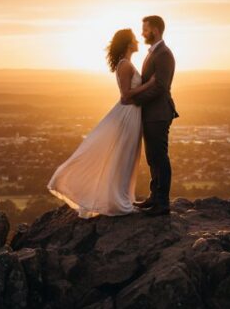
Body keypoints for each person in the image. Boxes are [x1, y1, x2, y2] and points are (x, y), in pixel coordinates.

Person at [47, 28, 157, 218]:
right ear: (128, 43)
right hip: (128, 114)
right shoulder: (124, 65)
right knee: (124, 156)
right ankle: (118, 202)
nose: (138, 42)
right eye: (134, 39)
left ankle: (121, 198)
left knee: (128, 157)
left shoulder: (127, 64)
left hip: (132, 114)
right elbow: (125, 95)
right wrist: (150, 84)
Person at [122, 15, 179, 217]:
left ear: (154, 30)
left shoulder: (163, 54)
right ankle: (155, 196)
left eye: (145, 29)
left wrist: (136, 100)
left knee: (159, 158)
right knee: (152, 158)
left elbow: (161, 87)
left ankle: (162, 203)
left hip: (159, 113)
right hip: (151, 113)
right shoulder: (154, 53)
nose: (142, 33)